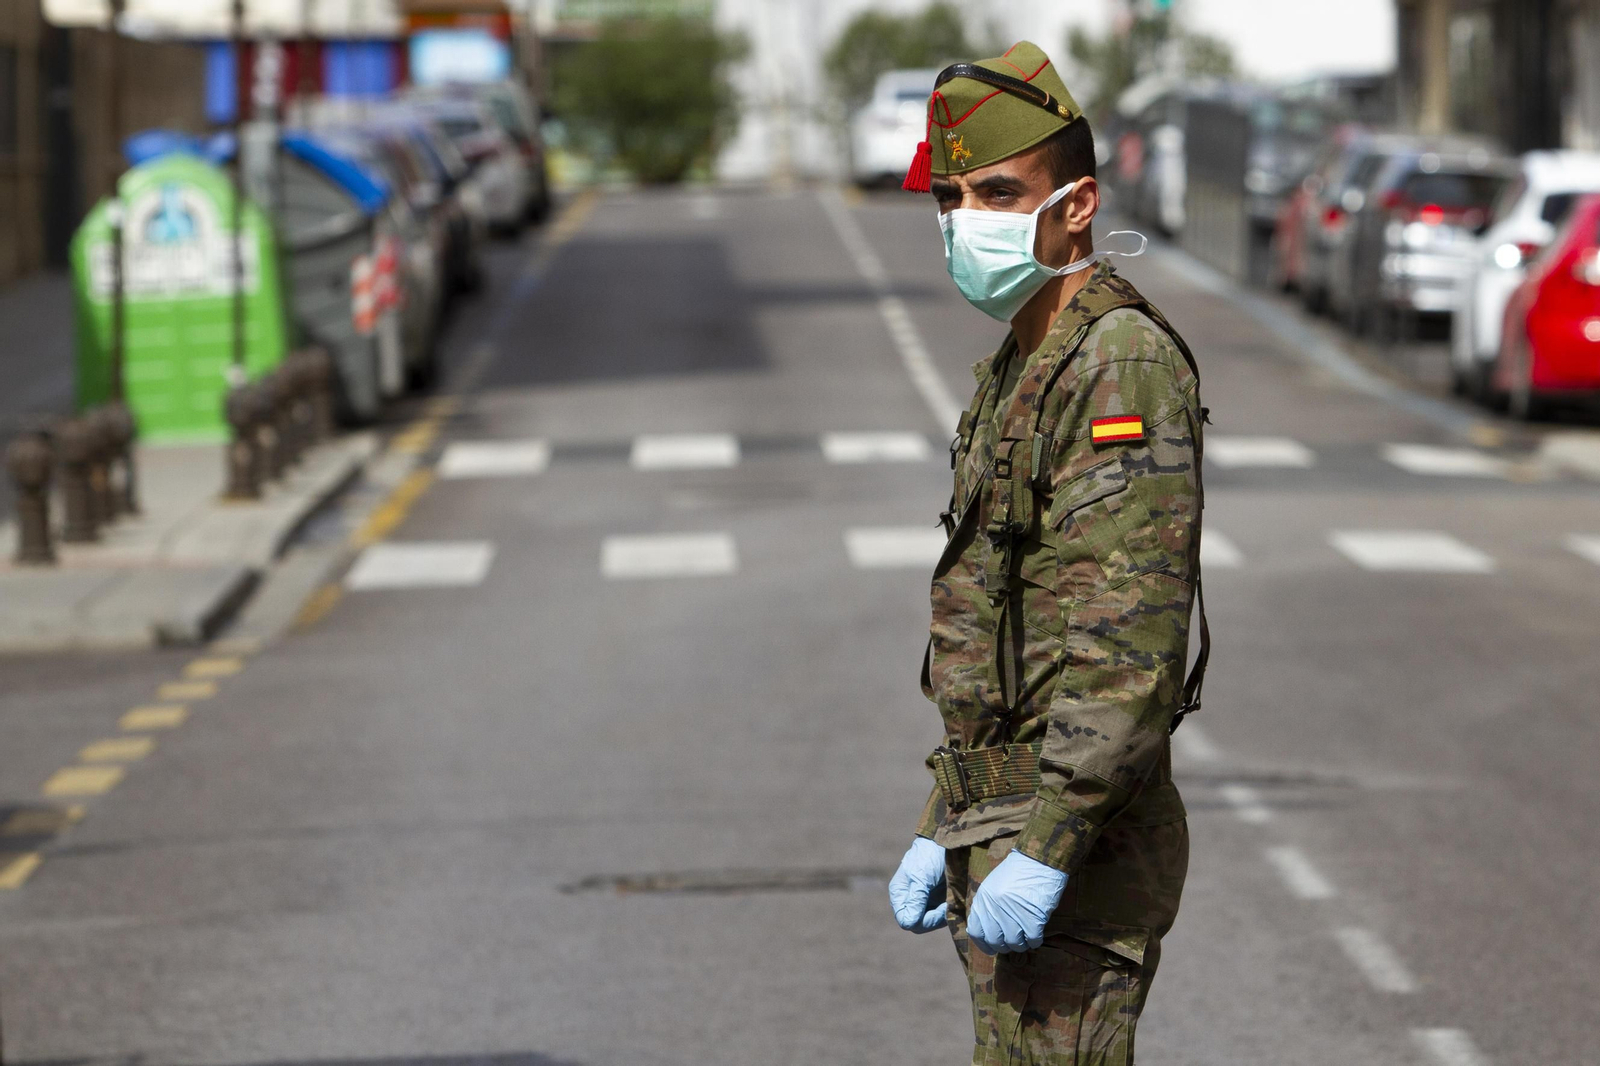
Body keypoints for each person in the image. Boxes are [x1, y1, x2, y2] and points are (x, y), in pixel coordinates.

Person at [886, 41, 1211, 1064]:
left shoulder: (1117, 362)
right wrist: (946, 819)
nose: (963, 222)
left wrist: (1049, 844)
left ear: (1075, 205)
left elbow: (1126, 645)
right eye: (949, 198)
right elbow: (1004, 628)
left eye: (993, 192)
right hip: (1007, 822)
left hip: (1076, 849)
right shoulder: (1022, 356)